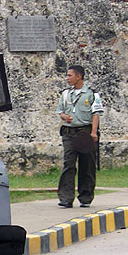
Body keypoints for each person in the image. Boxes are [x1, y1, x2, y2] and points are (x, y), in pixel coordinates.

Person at [56, 65, 103, 208]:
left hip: (85, 132)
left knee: (87, 165)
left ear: (79, 76)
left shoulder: (92, 94)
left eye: (70, 75)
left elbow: (96, 114)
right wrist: (64, 117)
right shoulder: (65, 94)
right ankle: (66, 197)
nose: (67, 78)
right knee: (68, 164)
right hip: (69, 133)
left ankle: (86, 196)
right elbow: (60, 111)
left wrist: (93, 132)